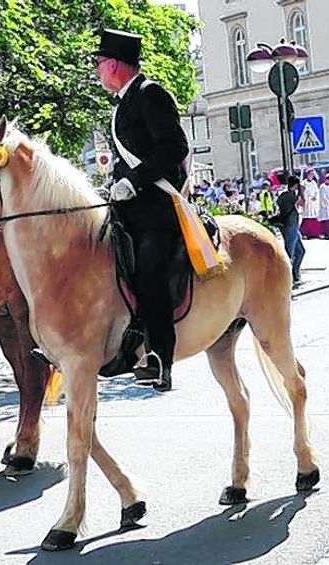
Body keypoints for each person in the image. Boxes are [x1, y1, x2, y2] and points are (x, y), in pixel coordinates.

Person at [96, 29, 189, 390]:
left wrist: (134, 181)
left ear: (114, 64)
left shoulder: (150, 93)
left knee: (150, 268)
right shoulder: (123, 102)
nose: (97, 70)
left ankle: (159, 357)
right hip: (126, 209)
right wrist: (113, 184)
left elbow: (174, 148)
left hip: (156, 211)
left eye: (100, 62)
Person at [270, 176, 306, 287]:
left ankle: (295, 275)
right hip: (291, 225)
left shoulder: (283, 195)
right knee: (289, 253)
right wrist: (302, 192)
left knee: (300, 251)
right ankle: (287, 278)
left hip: (288, 225)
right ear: (295, 185)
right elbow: (302, 203)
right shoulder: (291, 196)